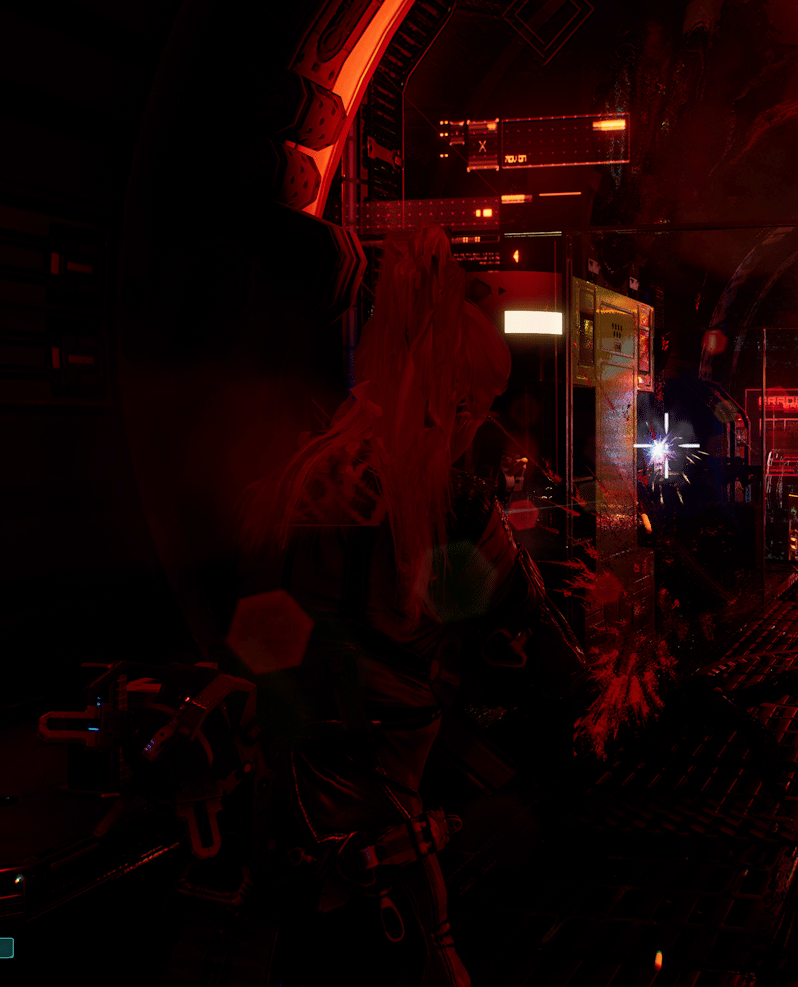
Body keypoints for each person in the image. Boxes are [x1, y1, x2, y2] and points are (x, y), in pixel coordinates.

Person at [229, 225, 581, 987]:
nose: (477, 430)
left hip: (278, 811)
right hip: (379, 830)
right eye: (477, 410)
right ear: (454, 403)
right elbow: (534, 634)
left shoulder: (295, 476)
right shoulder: (448, 503)